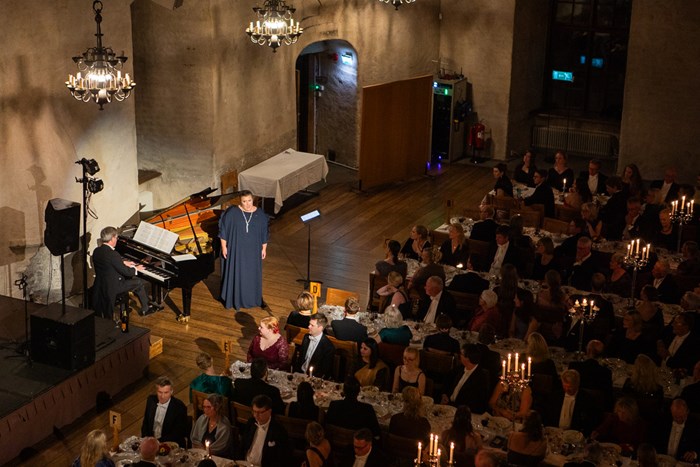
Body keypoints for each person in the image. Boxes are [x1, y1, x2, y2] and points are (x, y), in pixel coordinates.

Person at [219, 190, 269, 311]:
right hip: (236, 250)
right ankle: (234, 299)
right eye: (244, 201)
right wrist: (224, 247)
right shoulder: (232, 212)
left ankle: (252, 299)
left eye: (249, 201)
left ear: (253, 200)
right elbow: (224, 231)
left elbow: (264, 233)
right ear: (240, 202)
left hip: (253, 251)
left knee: (251, 274)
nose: (247, 204)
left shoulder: (260, 214)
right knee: (237, 272)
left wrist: (264, 248)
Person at [91, 226, 154, 319]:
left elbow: (108, 263)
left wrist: (122, 262)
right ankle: (145, 309)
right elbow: (127, 272)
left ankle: (126, 307)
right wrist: (136, 268)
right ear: (112, 238)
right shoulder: (113, 254)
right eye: (116, 238)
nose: (116, 240)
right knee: (138, 282)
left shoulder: (97, 251)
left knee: (130, 280)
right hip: (113, 286)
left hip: (100, 284)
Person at [240, 394, 291, 467]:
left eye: (260, 412)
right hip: (245, 464)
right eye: (254, 411)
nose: (256, 416)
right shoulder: (251, 422)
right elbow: (243, 445)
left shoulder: (278, 430)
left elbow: (281, 459)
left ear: (269, 411)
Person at [544, 369, 599, 437]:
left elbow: (592, 420)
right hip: (556, 433)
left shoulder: (587, 399)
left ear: (577, 384)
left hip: (574, 435)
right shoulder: (555, 396)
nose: (567, 389)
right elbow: (548, 415)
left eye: (570, 387)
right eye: (565, 386)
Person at [141, 376, 189, 446]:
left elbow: (177, 433)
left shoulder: (179, 407)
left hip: (171, 444)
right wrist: (147, 440)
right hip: (151, 443)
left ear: (171, 391)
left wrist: (158, 442)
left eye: (166, 392)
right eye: (160, 392)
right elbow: (145, 423)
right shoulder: (151, 400)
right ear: (156, 391)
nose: (162, 396)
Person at [441, 343, 490, 414]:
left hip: (462, 413)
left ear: (467, 358)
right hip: (448, 407)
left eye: (461, 354)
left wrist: (450, 406)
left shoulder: (481, 378)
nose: (459, 356)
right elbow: (447, 380)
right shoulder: (460, 368)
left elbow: (476, 405)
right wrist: (444, 394)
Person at [569, 340, 613, 409]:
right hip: (596, 409)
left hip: (574, 406)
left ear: (588, 351)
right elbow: (608, 397)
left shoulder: (574, 366)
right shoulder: (606, 372)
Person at [294, 314, 335, 379]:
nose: (308, 326)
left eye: (312, 325)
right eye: (309, 324)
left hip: (314, 378)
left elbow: (325, 370)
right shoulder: (306, 337)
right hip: (300, 374)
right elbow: (301, 358)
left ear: (320, 328)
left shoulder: (328, 347)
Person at [622, 354, 663, 419]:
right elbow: (659, 409)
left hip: (632, 419)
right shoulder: (658, 389)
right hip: (650, 421)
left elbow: (624, 405)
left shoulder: (629, 385)